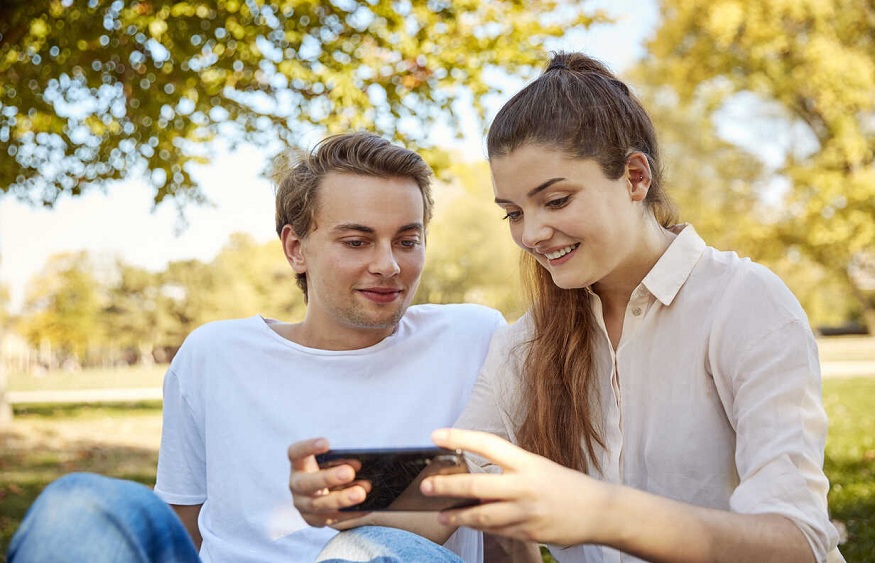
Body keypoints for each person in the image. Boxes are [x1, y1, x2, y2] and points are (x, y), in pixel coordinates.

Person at [288, 52, 844, 563]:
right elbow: (462, 481)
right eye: (513, 212)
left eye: (556, 201)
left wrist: (600, 513)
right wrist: (356, 494)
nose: (532, 233)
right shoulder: (530, 341)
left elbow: (797, 543)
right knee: (359, 550)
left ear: (634, 177)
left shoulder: (743, 304)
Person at [7, 132, 507, 563]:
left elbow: (504, 515)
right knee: (77, 501)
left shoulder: (474, 338)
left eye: (406, 240)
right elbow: (184, 526)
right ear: (296, 249)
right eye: (356, 242)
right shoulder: (214, 355)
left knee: (368, 545)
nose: (388, 265)